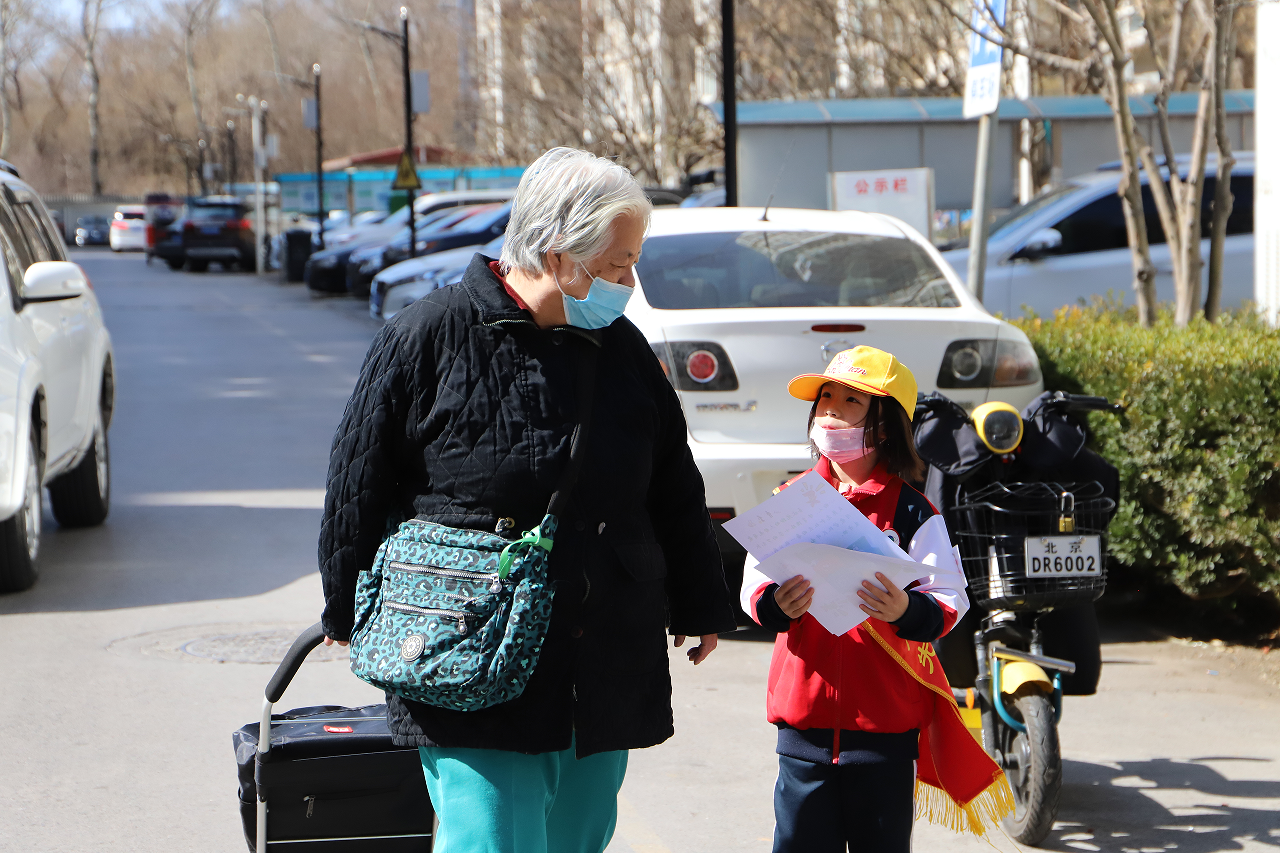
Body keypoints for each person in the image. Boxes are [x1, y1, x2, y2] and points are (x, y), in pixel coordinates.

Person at [317, 147, 736, 853]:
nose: (629, 282)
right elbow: (357, 477)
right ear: (556, 254)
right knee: (493, 839)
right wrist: (344, 600)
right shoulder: (427, 336)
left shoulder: (624, 351)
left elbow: (672, 480)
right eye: (614, 265)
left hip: (602, 652)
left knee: (579, 835)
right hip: (466, 649)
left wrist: (699, 600)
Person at [740, 345, 1011, 853]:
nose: (830, 412)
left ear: (884, 425)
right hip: (803, 725)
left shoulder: (915, 512)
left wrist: (907, 610)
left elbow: (949, 599)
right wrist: (778, 603)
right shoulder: (790, 500)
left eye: (850, 402)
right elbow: (753, 586)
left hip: (885, 730)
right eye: (824, 399)